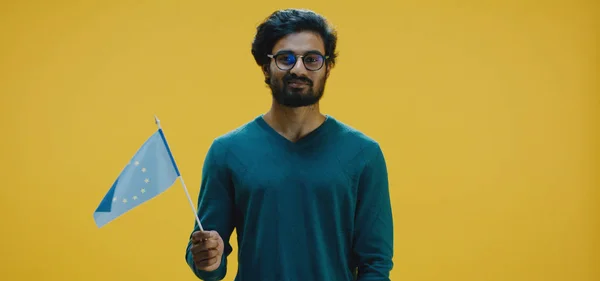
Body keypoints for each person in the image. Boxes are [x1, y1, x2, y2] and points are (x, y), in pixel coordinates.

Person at [184, 8, 394, 281]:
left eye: (312, 59)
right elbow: (206, 257)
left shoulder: (364, 153)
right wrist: (208, 259)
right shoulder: (227, 152)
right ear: (265, 66)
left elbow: (375, 264)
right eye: (285, 58)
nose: (298, 69)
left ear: (328, 67)